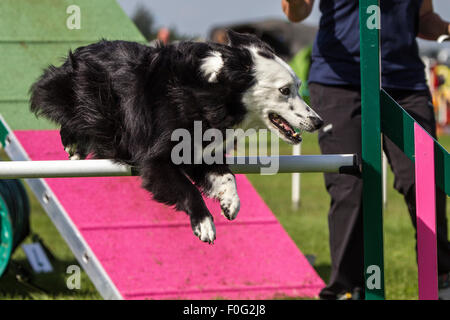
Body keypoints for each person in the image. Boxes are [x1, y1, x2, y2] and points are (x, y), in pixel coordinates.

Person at [282, 0, 450, 300]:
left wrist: (446, 29)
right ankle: (348, 289)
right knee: (351, 186)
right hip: (340, 82)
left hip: (404, 82)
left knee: (426, 181)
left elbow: (423, 17)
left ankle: (442, 280)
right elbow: (297, 11)